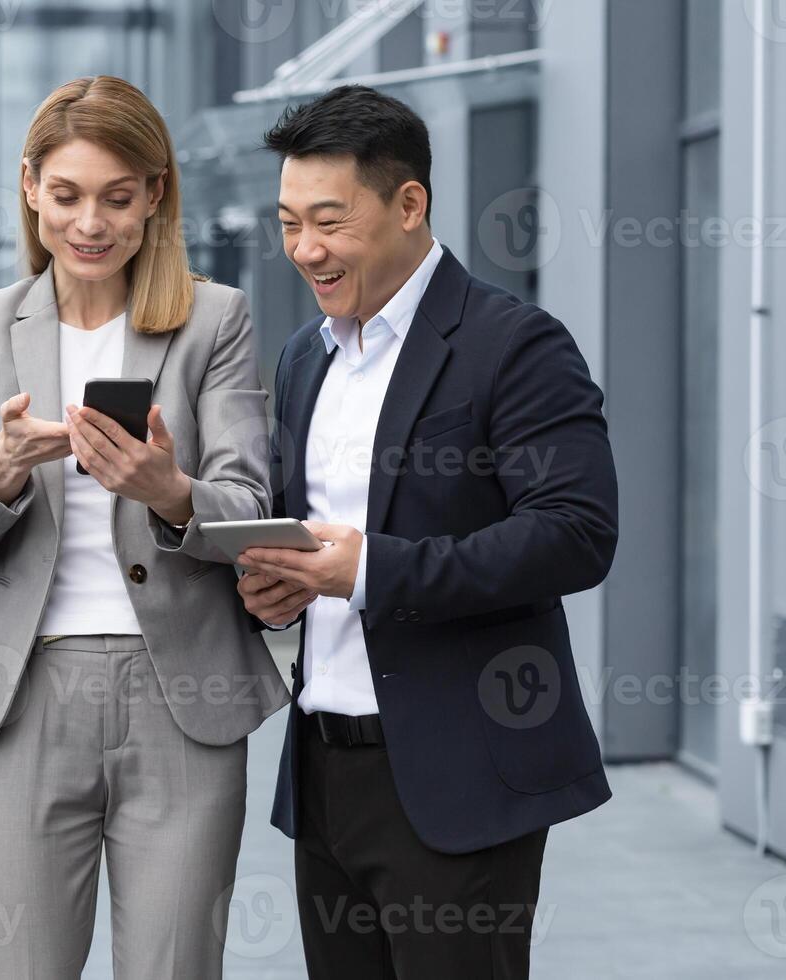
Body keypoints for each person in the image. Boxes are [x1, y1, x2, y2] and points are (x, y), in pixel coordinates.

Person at [236, 84, 617, 979]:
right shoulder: (303, 358)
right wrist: (276, 587)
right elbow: (310, 538)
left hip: (461, 775)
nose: (306, 250)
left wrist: (371, 570)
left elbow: (575, 533)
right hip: (326, 777)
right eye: (288, 222)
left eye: (329, 220)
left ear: (411, 204)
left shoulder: (515, 345)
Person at [0, 75, 287, 978]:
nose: (91, 223)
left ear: (155, 195)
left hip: (183, 701)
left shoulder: (215, 321)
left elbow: (247, 504)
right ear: (31, 186)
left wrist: (170, 492)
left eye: (119, 199)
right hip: (24, 698)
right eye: (69, 195)